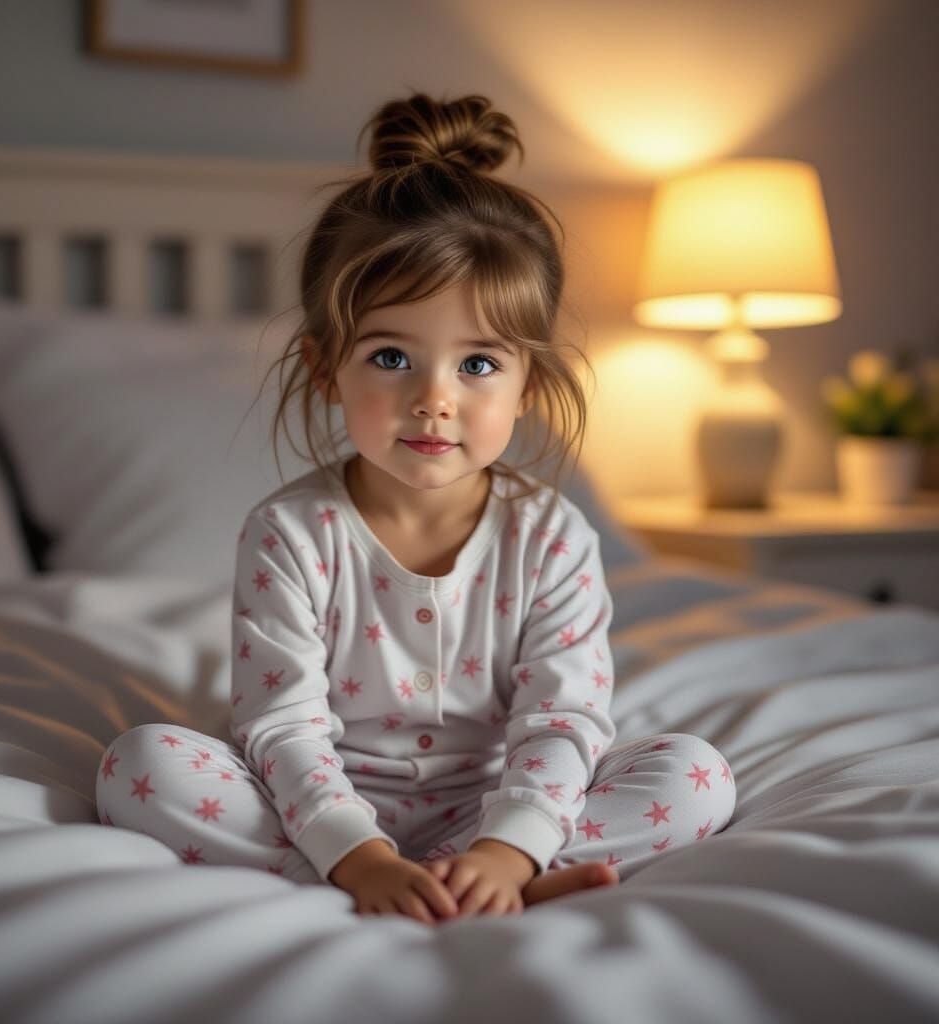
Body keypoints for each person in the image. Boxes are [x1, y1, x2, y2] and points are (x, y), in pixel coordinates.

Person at [96, 91, 737, 927]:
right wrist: (359, 856)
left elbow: (562, 719)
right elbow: (282, 727)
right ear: (325, 369)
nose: (435, 399)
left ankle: (473, 881)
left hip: (493, 809)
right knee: (141, 766)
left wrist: (507, 849)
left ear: (528, 385)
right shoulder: (291, 534)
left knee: (696, 775)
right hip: (316, 810)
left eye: (478, 365)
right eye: (392, 357)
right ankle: (385, 882)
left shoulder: (552, 538)